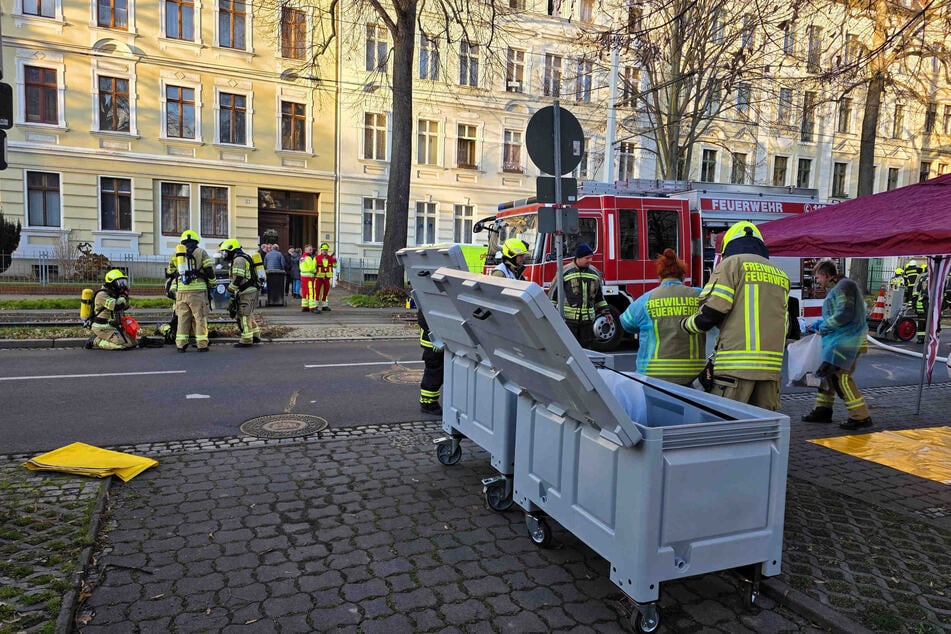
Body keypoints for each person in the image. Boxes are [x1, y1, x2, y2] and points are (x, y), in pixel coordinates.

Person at [681, 221, 789, 410]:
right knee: (765, 430)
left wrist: (688, 324)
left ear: (728, 246)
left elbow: (713, 311)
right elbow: (787, 323)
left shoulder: (731, 264)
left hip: (735, 368)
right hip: (770, 370)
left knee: (728, 425)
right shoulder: (780, 274)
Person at [801, 260, 872, 430]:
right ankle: (822, 410)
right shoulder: (841, 287)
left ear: (825, 275)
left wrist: (823, 327)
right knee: (827, 375)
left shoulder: (842, 287)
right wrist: (818, 325)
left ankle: (860, 416)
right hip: (843, 340)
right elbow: (837, 313)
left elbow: (845, 314)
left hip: (848, 342)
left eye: (817, 277)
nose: (816, 281)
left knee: (842, 378)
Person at [620, 249, 705, 385]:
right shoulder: (700, 296)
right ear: (683, 276)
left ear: (659, 277)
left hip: (652, 375)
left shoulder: (645, 300)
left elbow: (626, 323)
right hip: (693, 374)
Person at [548, 243, 612, 349]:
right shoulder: (565, 272)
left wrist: (606, 312)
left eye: (591, 258)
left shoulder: (594, 273)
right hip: (568, 321)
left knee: (587, 352)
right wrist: (551, 316)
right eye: (587, 258)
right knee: (570, 350)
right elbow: (553, 296)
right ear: (578, 258)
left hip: (588, 322)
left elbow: (599, 297)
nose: (590, 260)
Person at [166, 230, 215, 352]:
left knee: (183, 318)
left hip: (181, 292)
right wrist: (212, 283)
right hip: (198, 292)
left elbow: (169, 272)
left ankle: (181, 345)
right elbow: (209, 270)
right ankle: (202, 344)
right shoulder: (201, 252)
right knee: (200, 318)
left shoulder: (176, 254)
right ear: (196, 241)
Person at [219, 238, 261, 348]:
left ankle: (247, 339)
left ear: (231, 250)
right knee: (249, 314)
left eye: (225, 252)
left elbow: (238, 278)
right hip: (250, 290)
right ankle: (255, 335)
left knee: (243, 315)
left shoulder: (239, 260)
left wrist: (230, 290)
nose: (224, 255)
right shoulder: (244, 257)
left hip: (246, 291)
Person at [85, 269, 137, 350]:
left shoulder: (115, 293)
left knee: (133, 343)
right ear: (111, 283)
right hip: (103, 327)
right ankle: (96, 341)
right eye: (120, 283)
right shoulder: (102, 295)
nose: (122, 285)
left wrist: (124, 297)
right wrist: (123, 296)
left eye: (123, 282)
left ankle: (104, 338)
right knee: (121, 346)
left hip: (113, 326)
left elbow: (125, 307)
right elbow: (117, 306)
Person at [418, 311, 443, 415]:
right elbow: (424, 320)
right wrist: (435, 338)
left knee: (438, 373)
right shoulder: (426, 298)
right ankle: (428, 403)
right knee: (434, 373)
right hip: (432, 343)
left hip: (437, 341)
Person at [314, 243, 337, 311]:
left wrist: (335, 260)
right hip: (318, 278)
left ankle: (324, 306)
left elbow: (335, 266)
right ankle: (315, 306)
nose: (325, 251)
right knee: (317, 292)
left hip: (327, 278)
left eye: (326, 250)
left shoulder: (330, 258)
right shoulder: (317, 258)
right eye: (324, 250)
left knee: (326, 292)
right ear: (321, 250)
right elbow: (313, 268)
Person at [299, 244, 317, 312]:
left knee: (305, 292)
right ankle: (312, 307)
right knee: (311, 292)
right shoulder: (308, 258)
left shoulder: (302, 257)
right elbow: (311, 268)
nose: (311, 251)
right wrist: (315, 270)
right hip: (309, 277)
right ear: (306, 250)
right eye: (310, 249)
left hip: (303, 277)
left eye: (311, 249)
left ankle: (305, 306)